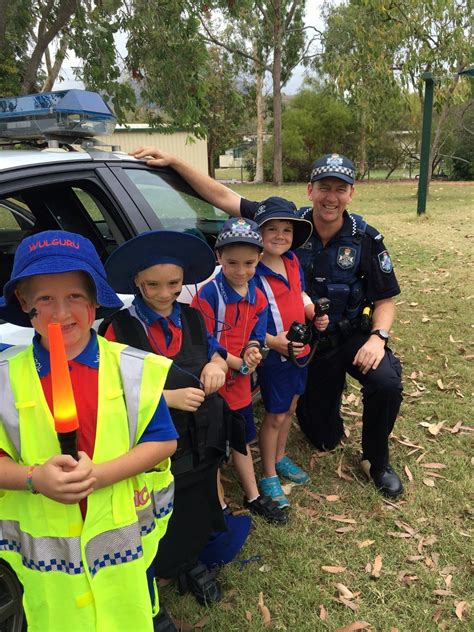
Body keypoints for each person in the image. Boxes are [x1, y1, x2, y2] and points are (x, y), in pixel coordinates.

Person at [130, 147, 404, 499]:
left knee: (385, 382)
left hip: (348, 337)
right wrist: (176, 161)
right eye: (324, 187)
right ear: (310, 190)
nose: (331, 197)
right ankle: (315, 413)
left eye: (340, 188)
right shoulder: (285, 222)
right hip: (300, 348)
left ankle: (377, 462)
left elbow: (385, 300)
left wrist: (378, 337)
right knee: (321, 435)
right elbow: (224, 197)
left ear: (351, 193)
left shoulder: (364, 237)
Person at [0, 230, 178, 632]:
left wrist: (101, 474)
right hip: (49, 572)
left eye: (75, 297)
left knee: (129, 616)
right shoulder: (5, 380)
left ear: (95, 300)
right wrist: (33, 478)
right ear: (24, 303)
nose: (60, 312)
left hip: (123, 555)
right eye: (44, 298)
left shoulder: (133, 370)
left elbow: (163, 441)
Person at [102, 230, 250, 620]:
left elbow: (215, 353)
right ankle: (158, 572)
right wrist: (165, 399)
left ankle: (189, 560)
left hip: (202, 437)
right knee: (156, 511)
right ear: (136, 280)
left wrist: (216, 367)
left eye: (173, 283)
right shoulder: (120, 328)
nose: (164, 293)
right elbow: (111, 390)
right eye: (153, 284)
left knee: (196, 501)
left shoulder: (192, 316)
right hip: (156, 448)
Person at [191, 218, 288, 523]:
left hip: (241, 383)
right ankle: (216, 504)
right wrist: (236, 361)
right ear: (218, 257)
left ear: (260, 258)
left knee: (242, 437)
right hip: (214, 381)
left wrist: (253, 350)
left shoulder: (256, 295)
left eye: (249, 263)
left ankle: (254, 495)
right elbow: (200, 339)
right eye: (232, 262)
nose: (242, 270)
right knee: (212, 444)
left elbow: (257, 334)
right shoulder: (208, 295)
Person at [244, 197, 329, 508]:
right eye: (272, 229)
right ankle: (267, 473)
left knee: (291, 406)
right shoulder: (252, 270)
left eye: (286, 229)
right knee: (275, 414)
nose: (280, 236)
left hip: (300, 349)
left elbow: (300, 292)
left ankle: (279, 457)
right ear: (258, 233)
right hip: (275, 355)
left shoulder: (292, 261)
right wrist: (270, 342)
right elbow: (244, 319)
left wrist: (312, 311)